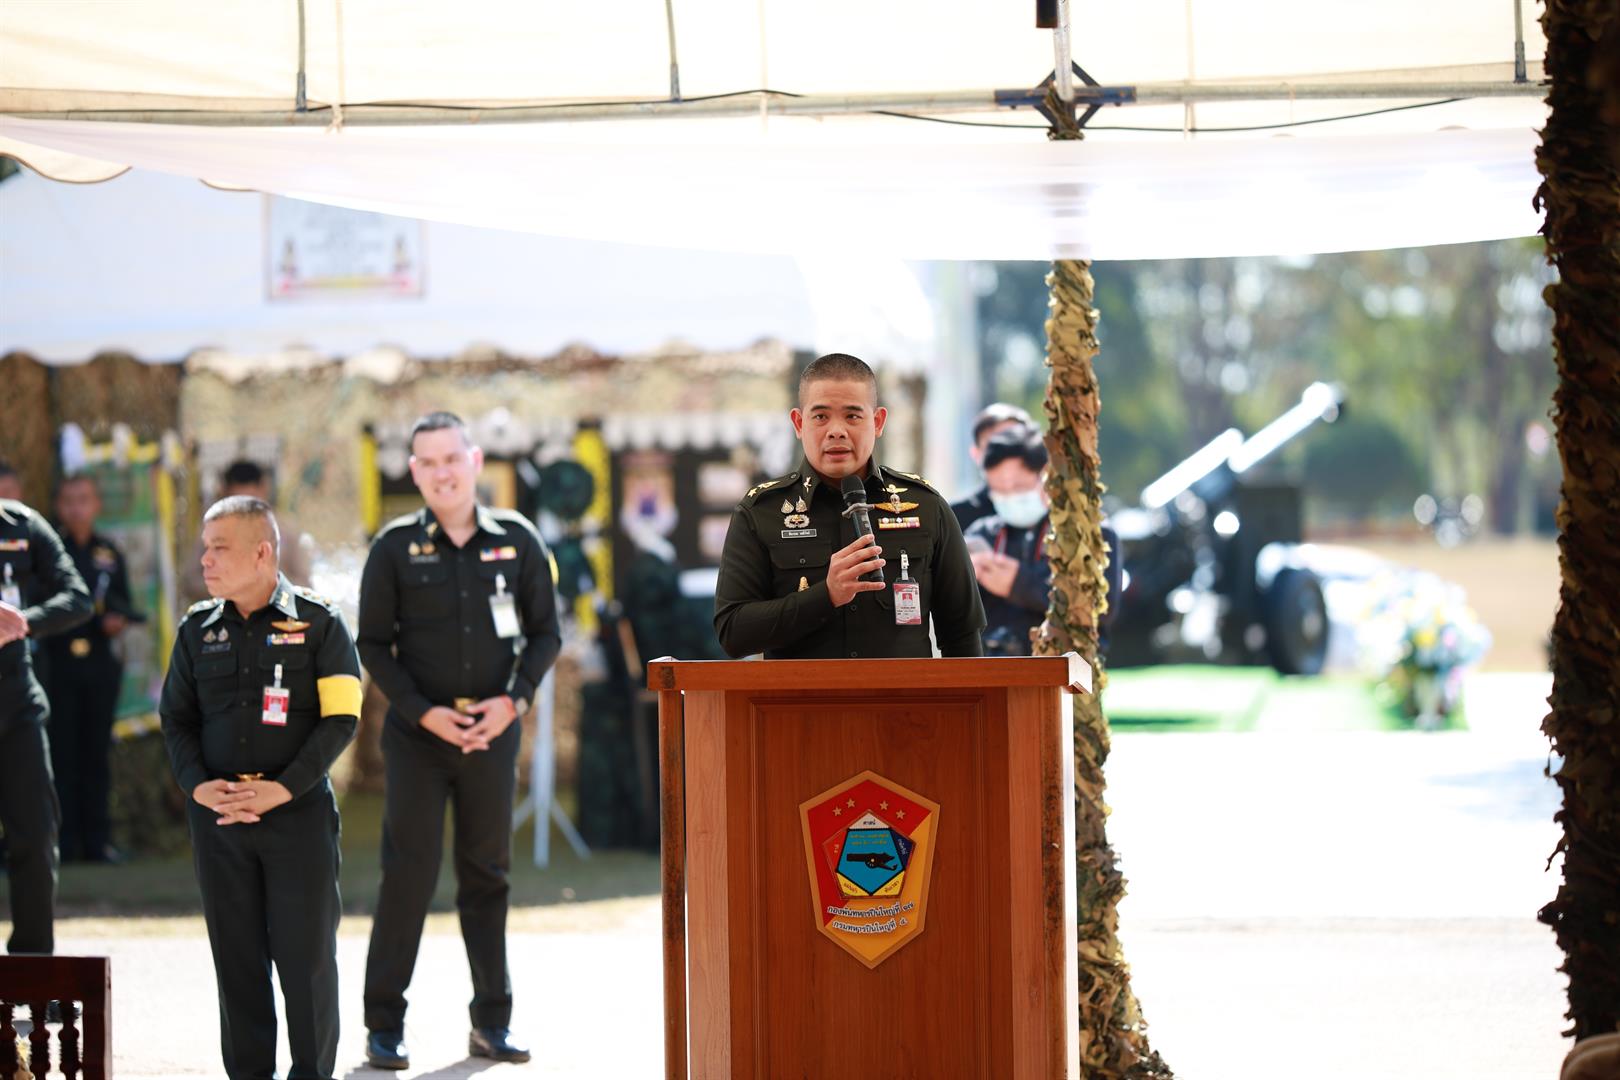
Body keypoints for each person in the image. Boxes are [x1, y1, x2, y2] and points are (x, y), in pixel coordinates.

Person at [358, 411, 560, 1070]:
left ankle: (492, 1023)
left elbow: (546, 634)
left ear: (475, 461)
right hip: (419, 739)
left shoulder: (519, 540)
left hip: (492, 734)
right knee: (407, 876)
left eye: (453, 458)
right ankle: (384, 1026)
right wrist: (424, 714)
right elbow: (373, 646)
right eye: (429, 462)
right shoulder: (393, 548)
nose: (442, 472)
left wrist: (513, 702)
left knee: (486, 876)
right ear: (414, 472)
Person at [159, 495, 361, 1080]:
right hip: (219, 821)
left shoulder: (321, 623)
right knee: (238, 963)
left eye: (219, 548)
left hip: (297, 818)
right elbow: (176, 719)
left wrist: (284, 789)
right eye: (205, 548)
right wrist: (198, 787)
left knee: (306, 961)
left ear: (262, 553)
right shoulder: (197, 630)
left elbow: (341, 719)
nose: (206, 560)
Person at [714, 352, 985, 659]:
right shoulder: (761, 512)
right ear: (799, 423)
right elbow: (732, 633)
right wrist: (825, 595)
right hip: (801, 693)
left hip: (905, 692)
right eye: (820, 417)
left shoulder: (925, 506)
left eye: (853, 416)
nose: (836, 431)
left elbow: (963, 635)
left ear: (878, 422)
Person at [0, 496, 91, 955]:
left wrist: (24, 622)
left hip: (15, 699)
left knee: (35, 836)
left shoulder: (22, 524)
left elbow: (79, 597)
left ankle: (31, 968)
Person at [44, 474, 141, 863]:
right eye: (69, 500)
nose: (77, 508)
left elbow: (123, 602)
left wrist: (117, 620)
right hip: (59, 664)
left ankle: (98, 841)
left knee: (96, 752)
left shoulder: (109, 552)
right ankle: (63, 841)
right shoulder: (48, 551)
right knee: (61, 753)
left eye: (84, 499)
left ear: (97, 504)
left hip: (100, 664)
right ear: (58, 506)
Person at [964, 429, 1123, 657]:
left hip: (1069, 669)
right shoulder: (982, 535)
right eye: (998, 490)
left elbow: (1100, 608)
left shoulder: (1090, 533)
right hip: (993, 667)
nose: (1009, 497)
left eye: (1018, 487)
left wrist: (1019, 583)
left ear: (1047, 475)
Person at [949, 402, 1034, 534]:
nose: (1007, 459)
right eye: (995, 448)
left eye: (1016, 446)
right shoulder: (952, 518)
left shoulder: (1056, 509)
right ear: (976, 455)